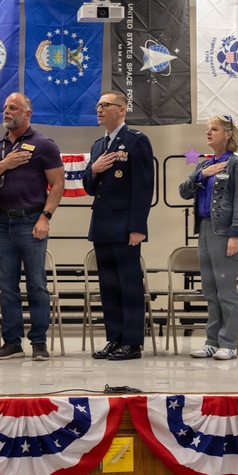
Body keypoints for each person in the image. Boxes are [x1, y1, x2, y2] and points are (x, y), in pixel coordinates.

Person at [0, 93, 65, 361]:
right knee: (7, 286)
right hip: (0, 222)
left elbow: (58, 185)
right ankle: (12, 342)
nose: (6, 112)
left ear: (27, 113)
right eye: (4, 108)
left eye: (12, 108)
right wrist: (4, 164)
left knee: (37, 284)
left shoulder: (43, 144)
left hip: (31, 220)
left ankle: (39, 342)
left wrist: (45, 218)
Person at [83, 90, 155, 361]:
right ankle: (114, 338)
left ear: (122, 109)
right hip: (102, 225)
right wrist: (94, 169)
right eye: (98, 105)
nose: (100, 109)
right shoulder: (97, 145)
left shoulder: (136, 141)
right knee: (108, 286)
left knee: (129, 285)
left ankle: (133, 342)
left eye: (106, 105)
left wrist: (138, 226)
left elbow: (144, 187)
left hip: (125, 227)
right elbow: (90, 188)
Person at [178, 115, 238, 361]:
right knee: (209, 288)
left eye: (215, 129)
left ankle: (228, 342)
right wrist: (202, 175)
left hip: (225, 231)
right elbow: (183, 191)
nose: (209, 133)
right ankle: (212, 341)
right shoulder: (204, 165)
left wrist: (235, 233)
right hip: (205, 230)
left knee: (225, 290)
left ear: (228, 133)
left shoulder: (236, 165)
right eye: (208, 129)